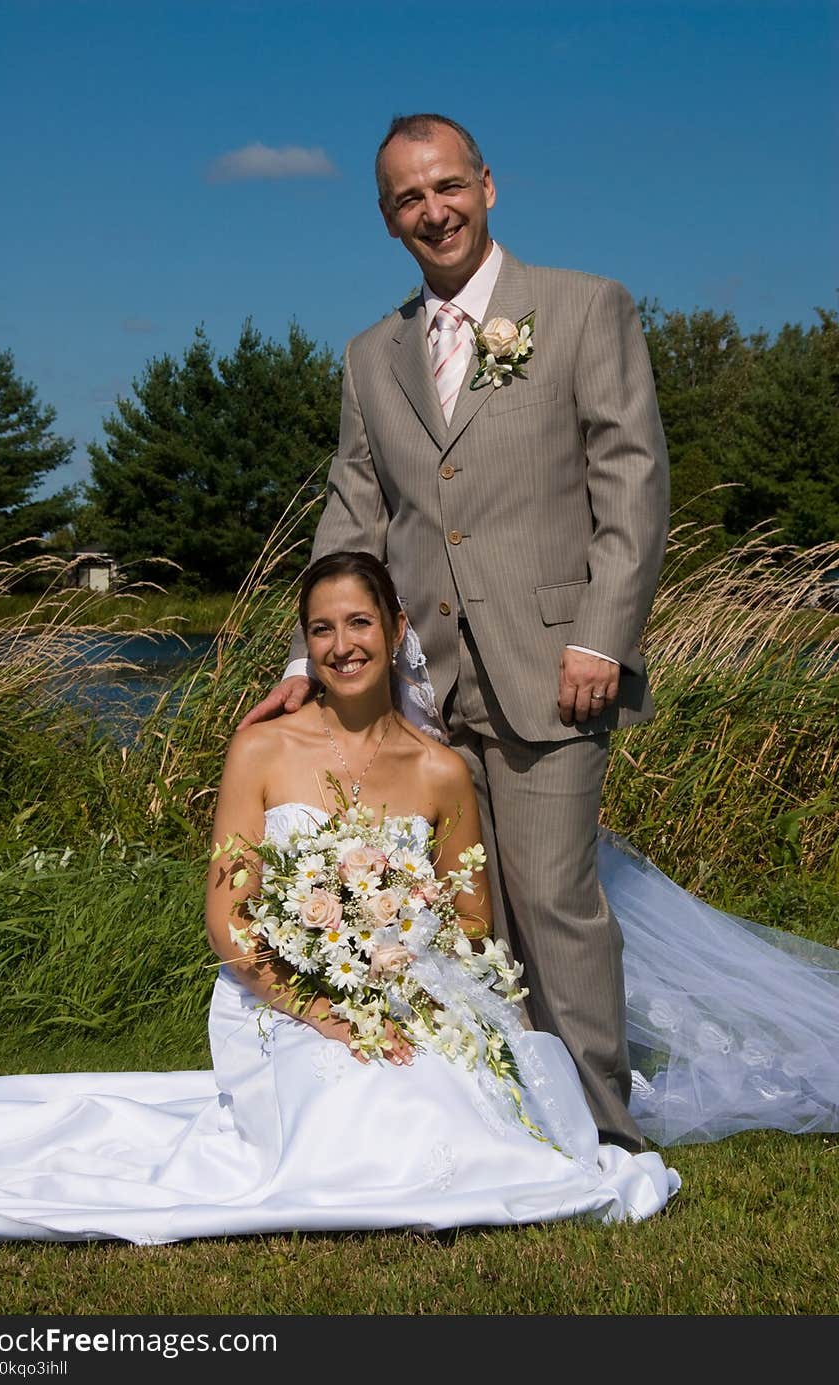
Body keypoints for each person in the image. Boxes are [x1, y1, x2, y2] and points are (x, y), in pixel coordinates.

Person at [0, 552, 836, 1245]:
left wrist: (412, 995)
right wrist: (323, 1005)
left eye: (358, 622)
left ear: (396, 628)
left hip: (412, 996)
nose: (341, 644)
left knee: (442, 1111)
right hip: (280, 1002)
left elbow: (470, 927)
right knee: (345, 1116)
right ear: (305, 642)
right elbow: (229, 919)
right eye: (321, 628)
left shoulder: (440, 770)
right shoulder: (260, 750)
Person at [241, 112, 671, 1153]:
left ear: (486, 184)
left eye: (447, 187)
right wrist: (314, 660)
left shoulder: (582, 308)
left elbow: (634, 484)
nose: (432, 210)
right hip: (418, 689)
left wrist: (598, 638)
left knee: (553, 901)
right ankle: (500, 1124)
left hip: (554, 668)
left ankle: (602, 1134)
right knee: (454, 917)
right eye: (407, 198)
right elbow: (354, 519)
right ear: (386, 219)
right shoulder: (369, 356)